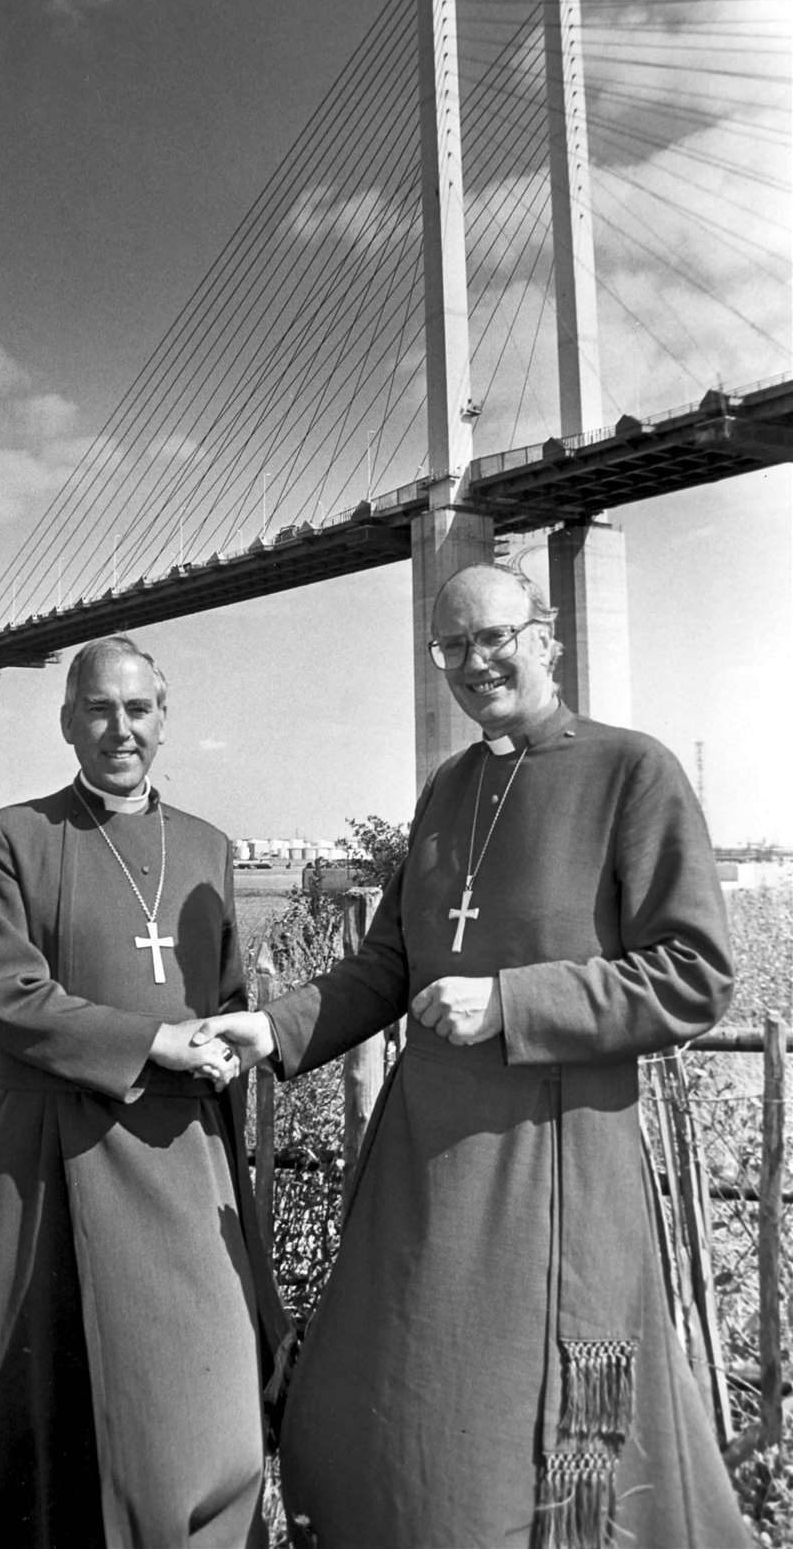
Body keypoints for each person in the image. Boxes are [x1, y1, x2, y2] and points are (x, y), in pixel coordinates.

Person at [199, 564, 749, 1549]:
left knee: (576, 1408)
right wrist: (276, 1027)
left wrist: (512, 1001)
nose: (472, 662)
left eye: (493, 637)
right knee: (409, 1410)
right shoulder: (449, 790)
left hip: (559, 1160)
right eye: (450, 646)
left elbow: (695, 974)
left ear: (548, 637)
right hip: (429, 1165)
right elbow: (391, 965)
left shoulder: (633, 771)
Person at [0, 634, 291, 1549]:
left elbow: (229, 991)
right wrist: (151, 1040)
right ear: (67, 722)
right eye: (99, 709)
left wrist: (221, 1043)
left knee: (194, 1394)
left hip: (182, 1158)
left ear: (164, 720)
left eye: (138, 709)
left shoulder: (207, 845)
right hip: (58, 1151)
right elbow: (8, 994)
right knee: (45, 1387)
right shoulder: (14, 836)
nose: (119, 729)